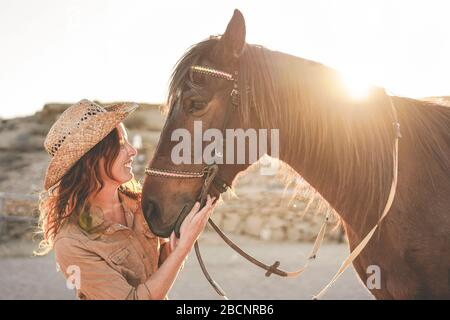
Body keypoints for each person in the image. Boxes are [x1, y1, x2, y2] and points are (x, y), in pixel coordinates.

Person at [35, 99, 216, 299]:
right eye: (121, 143)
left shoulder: (140, 202)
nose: (133, 150)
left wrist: (179, 238)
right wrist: (184, 247)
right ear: (92, 159)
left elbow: (158, 268)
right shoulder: (72, 243)